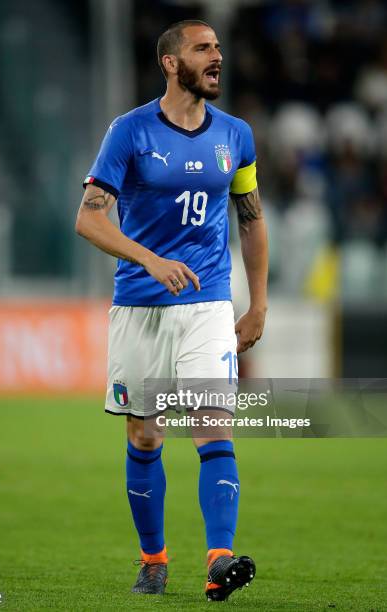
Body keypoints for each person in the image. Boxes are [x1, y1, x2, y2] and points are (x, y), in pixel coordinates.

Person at [75, 19, 268, 602]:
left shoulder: (236, 135)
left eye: (218, 48)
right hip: (139, 305)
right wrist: (150, 259)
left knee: (212, 423)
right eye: (202, 48)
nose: (217, 56)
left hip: (208, 301)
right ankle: (154, 559)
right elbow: (89, 217)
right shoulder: (130, 132)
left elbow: (251, 220)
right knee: (145, 435)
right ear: (170, 62)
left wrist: (258, 302)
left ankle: (219, 560)